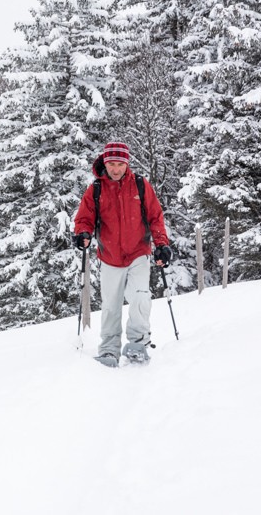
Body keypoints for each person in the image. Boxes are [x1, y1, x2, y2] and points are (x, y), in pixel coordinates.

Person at [73, 142, 171, 367]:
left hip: (138, 252)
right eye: (111, 164)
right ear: (104, 164)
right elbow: (84, 218)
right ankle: (109, 350)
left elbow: (155, 216)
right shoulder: (96, 189)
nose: (115, 169)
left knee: (139, 297)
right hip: (110, 256)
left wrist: (161, 244)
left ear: (127, 164)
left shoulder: (139, 185)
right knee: (111, 305)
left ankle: (138, 343)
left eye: (119, 164)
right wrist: (83, 233)